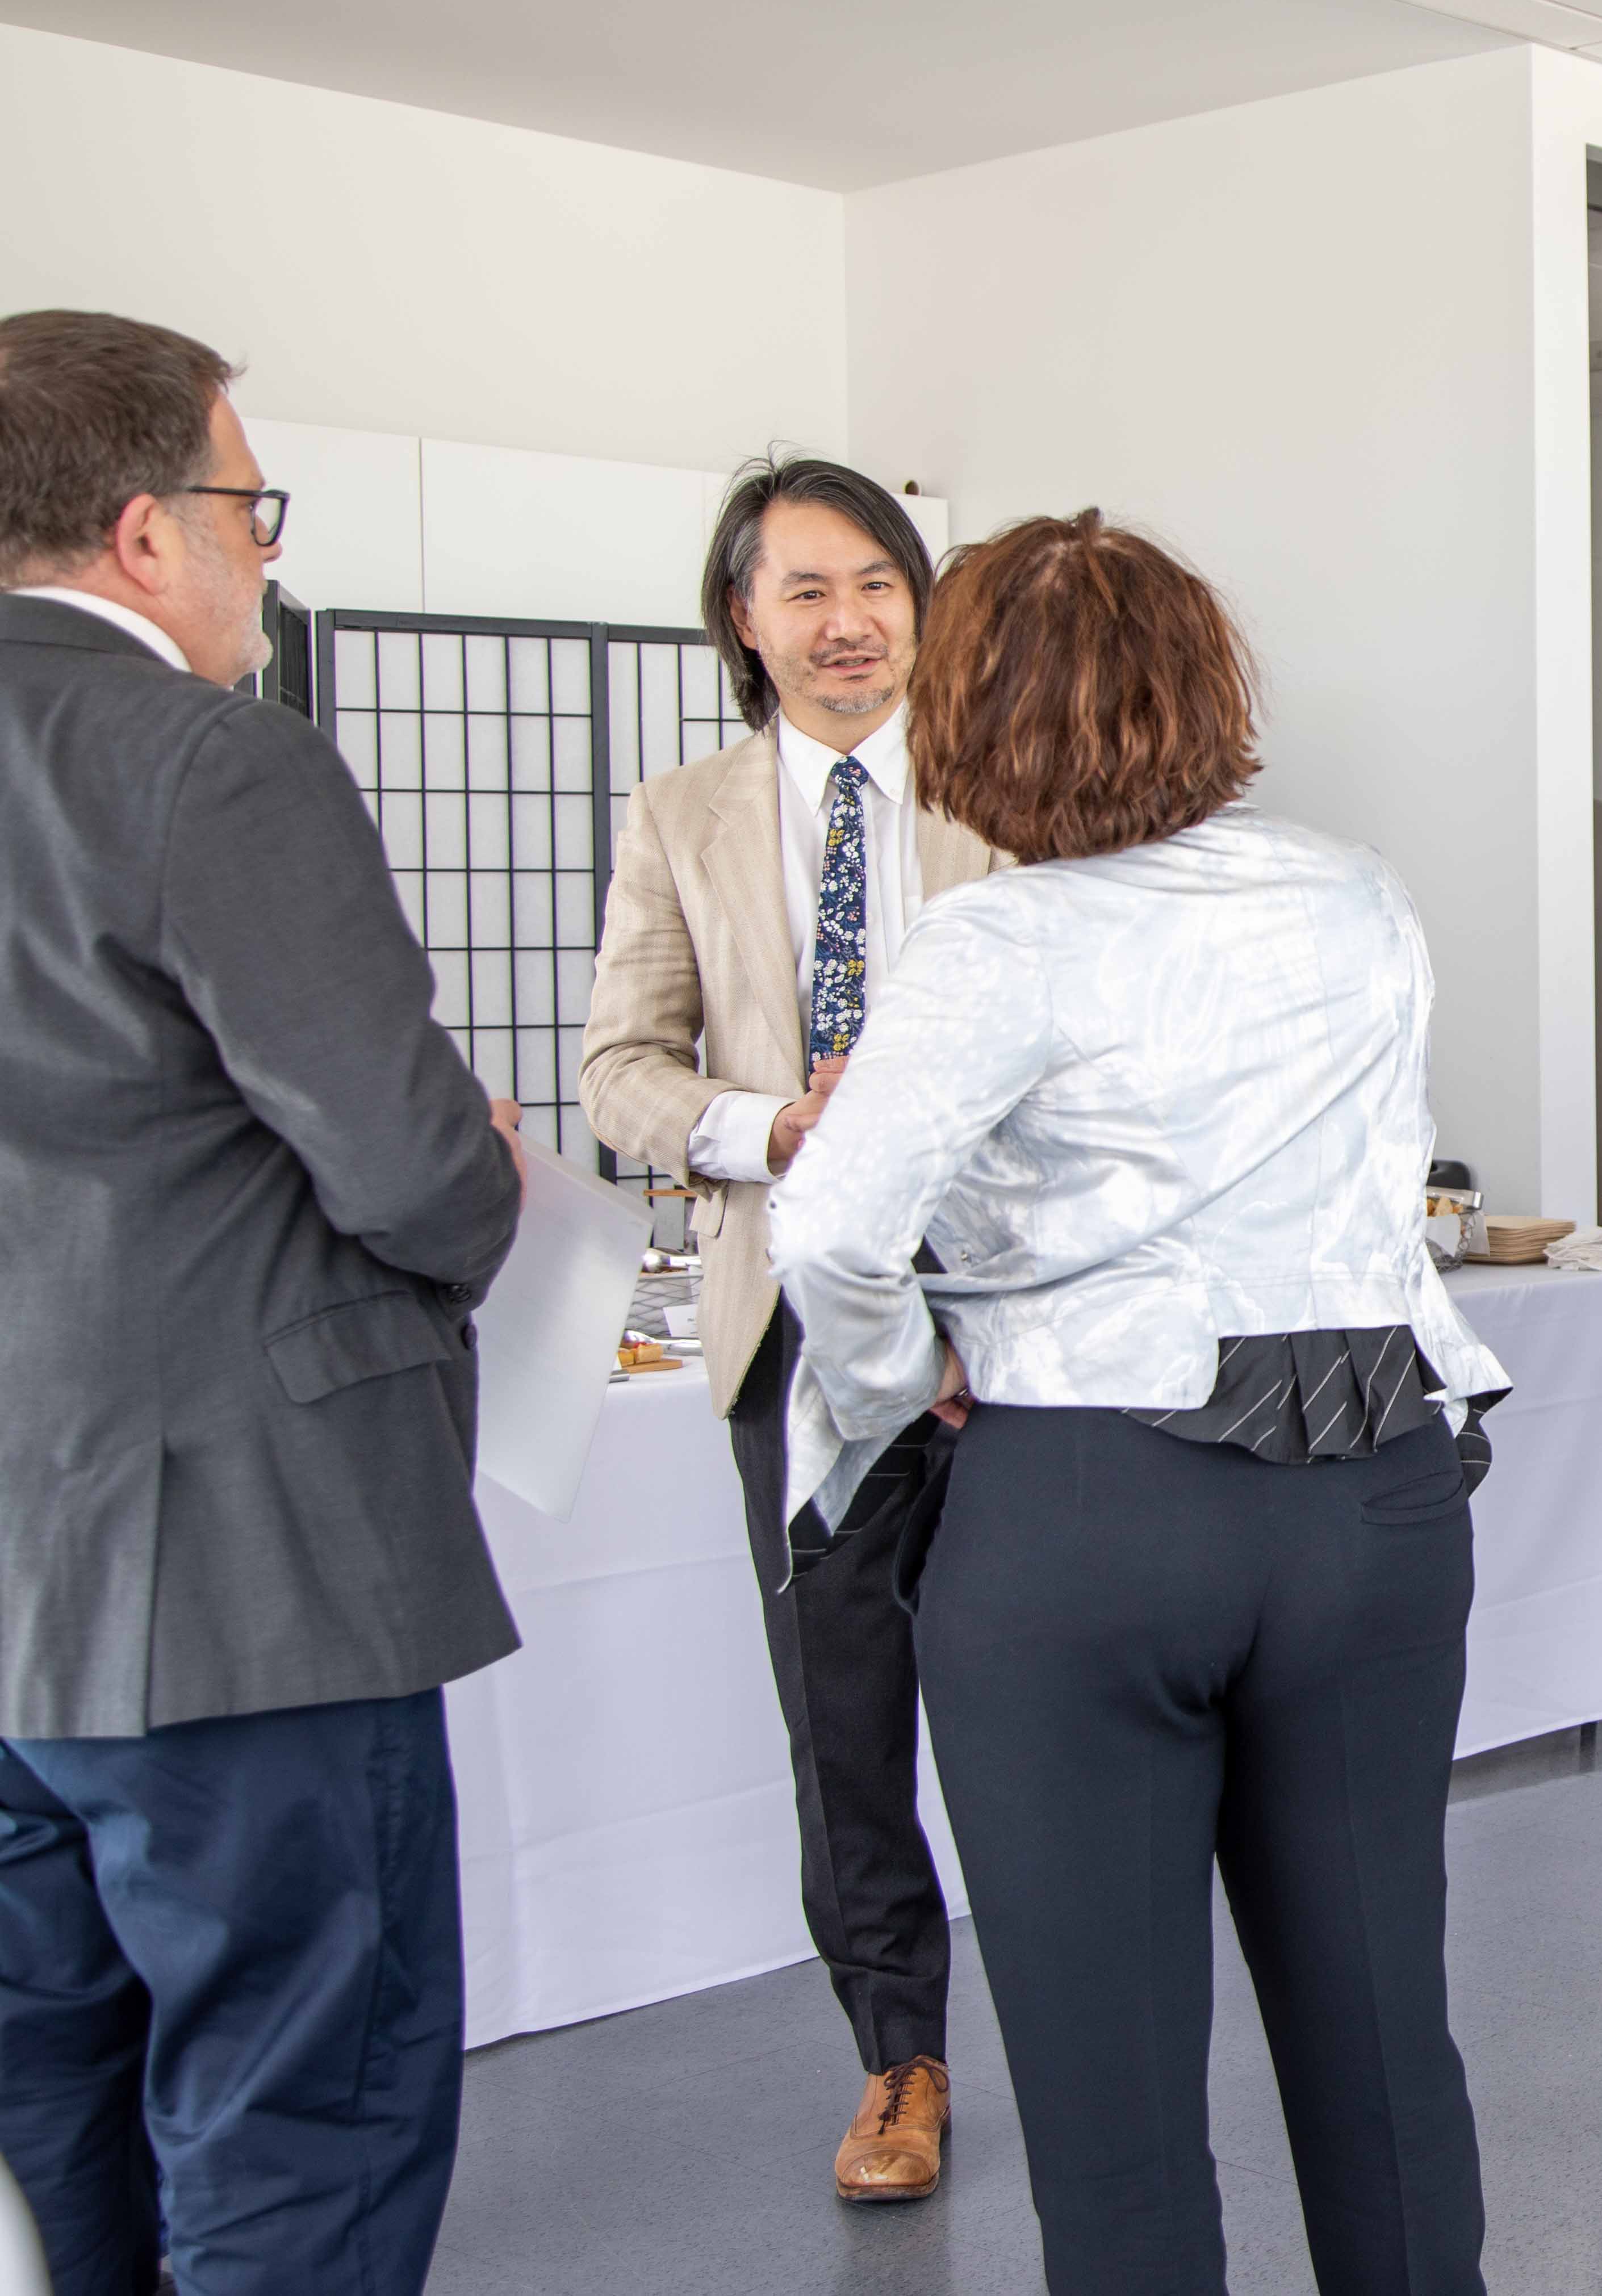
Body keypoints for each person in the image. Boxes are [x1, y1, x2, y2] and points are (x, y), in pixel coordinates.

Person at [769, 510, 1508, 2292]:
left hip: (1089, 1514)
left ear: (968, 720)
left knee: (1115, 2119)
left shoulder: (990, 942)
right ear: (1200, 689)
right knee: (1381, 2041)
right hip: (1374, 1493)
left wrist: (900, 1381)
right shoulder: (1352, 890)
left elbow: (829, 1232)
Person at [0, 310, 524, 2294]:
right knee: (303, 2107)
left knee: (65, 2116)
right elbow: (401, 1164)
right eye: (250, 506)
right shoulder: (210, 759)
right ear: (148, 532)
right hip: (243, 1577)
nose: (265, 554)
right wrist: (479, 1183)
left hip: (16, 1597)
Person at [578, 455, 1007, 2201]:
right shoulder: (679, 816)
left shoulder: (1009, 792)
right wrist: (777, 1126)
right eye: (807, 591)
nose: (850, 623)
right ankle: (897, 2062)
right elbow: (616, 1077)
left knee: (1037, 1711)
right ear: (742, 621)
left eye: (879, 586)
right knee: (842, 1732)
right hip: (795, 1341)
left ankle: (1073, 2015)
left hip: (1006, 1346)